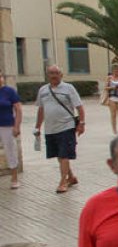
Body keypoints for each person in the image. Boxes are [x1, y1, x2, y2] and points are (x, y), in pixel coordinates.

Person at [34, 65, 85, 194]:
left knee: (64, 154)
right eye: (51, 73)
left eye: (56, 73)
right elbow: (41, 109)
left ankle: (63, 182)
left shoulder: (68, 88)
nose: (54, 75)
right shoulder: (43, 90)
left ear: (61, 75)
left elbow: (79, 107)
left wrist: (82, 123)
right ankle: (71, 177)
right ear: (47, 75)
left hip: (66, 126)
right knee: (59, 155)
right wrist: (37, 126)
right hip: (50, 128)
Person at [0, 71, 21, 189]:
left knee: (10, 150)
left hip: (7, 125)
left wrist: (16, 126)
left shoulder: (9, 91)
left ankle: (14, 178)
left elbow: (18, 109)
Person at [104, 64, 118, 134]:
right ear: (112, 71)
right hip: (112, 98)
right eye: (115, 70)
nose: (116, 71)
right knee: (113, 115)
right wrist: (113, 88)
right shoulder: (109, 78)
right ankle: (114, 129)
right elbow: (106, 87)